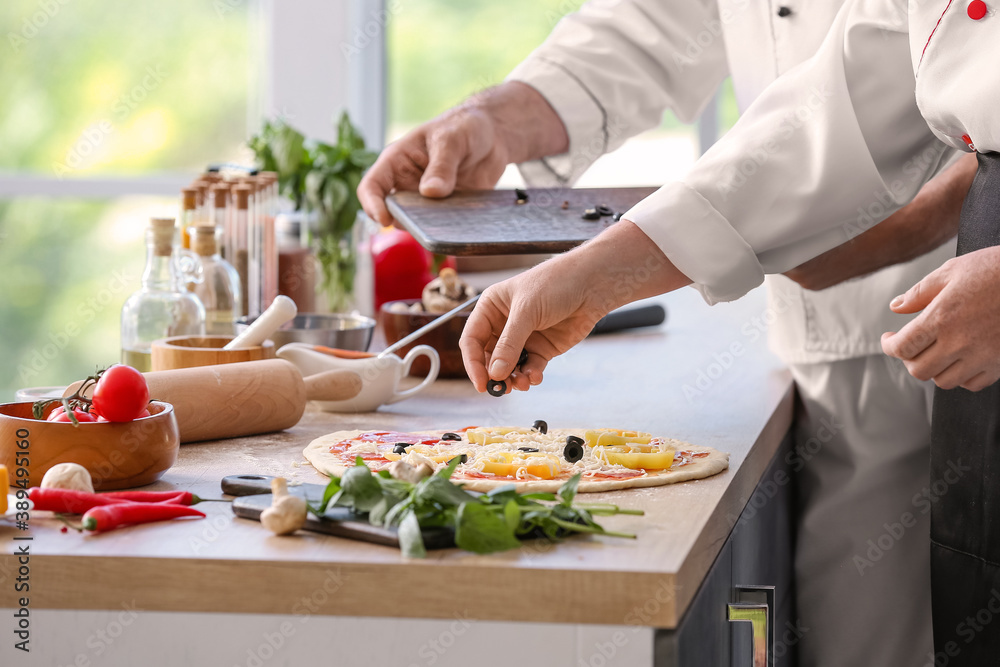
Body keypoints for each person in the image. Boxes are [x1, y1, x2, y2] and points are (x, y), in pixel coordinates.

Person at [358, 1, 976, 664]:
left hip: (968, 299)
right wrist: (498, 119)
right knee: (859, 639)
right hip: (830, 337)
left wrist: (939, 216)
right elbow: (667, 28)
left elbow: (953, 79)